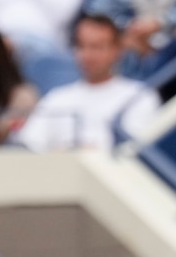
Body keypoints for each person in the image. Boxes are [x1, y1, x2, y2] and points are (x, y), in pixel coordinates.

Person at [16, 13, 163, 152]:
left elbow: (135, 150)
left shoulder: (139, 96)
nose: (87, 55)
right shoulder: (56, 97)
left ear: (117, 50)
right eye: (81, 46)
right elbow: (28, 146)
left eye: (97, 47)